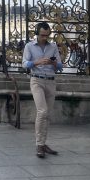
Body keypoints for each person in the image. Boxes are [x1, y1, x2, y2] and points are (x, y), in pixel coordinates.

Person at [22, 22, 63, 158]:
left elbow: (60, 66)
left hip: (51, 81)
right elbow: (24, 64)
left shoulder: (53, 47)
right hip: (36, 79)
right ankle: (39, 144)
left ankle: (43, 143)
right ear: (37, 34)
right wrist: (37, 62)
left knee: (48, 114)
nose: (44, 38)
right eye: (42, 35)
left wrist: (53, 63)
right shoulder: (29, 46)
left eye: (47, 35)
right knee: (42, 111)